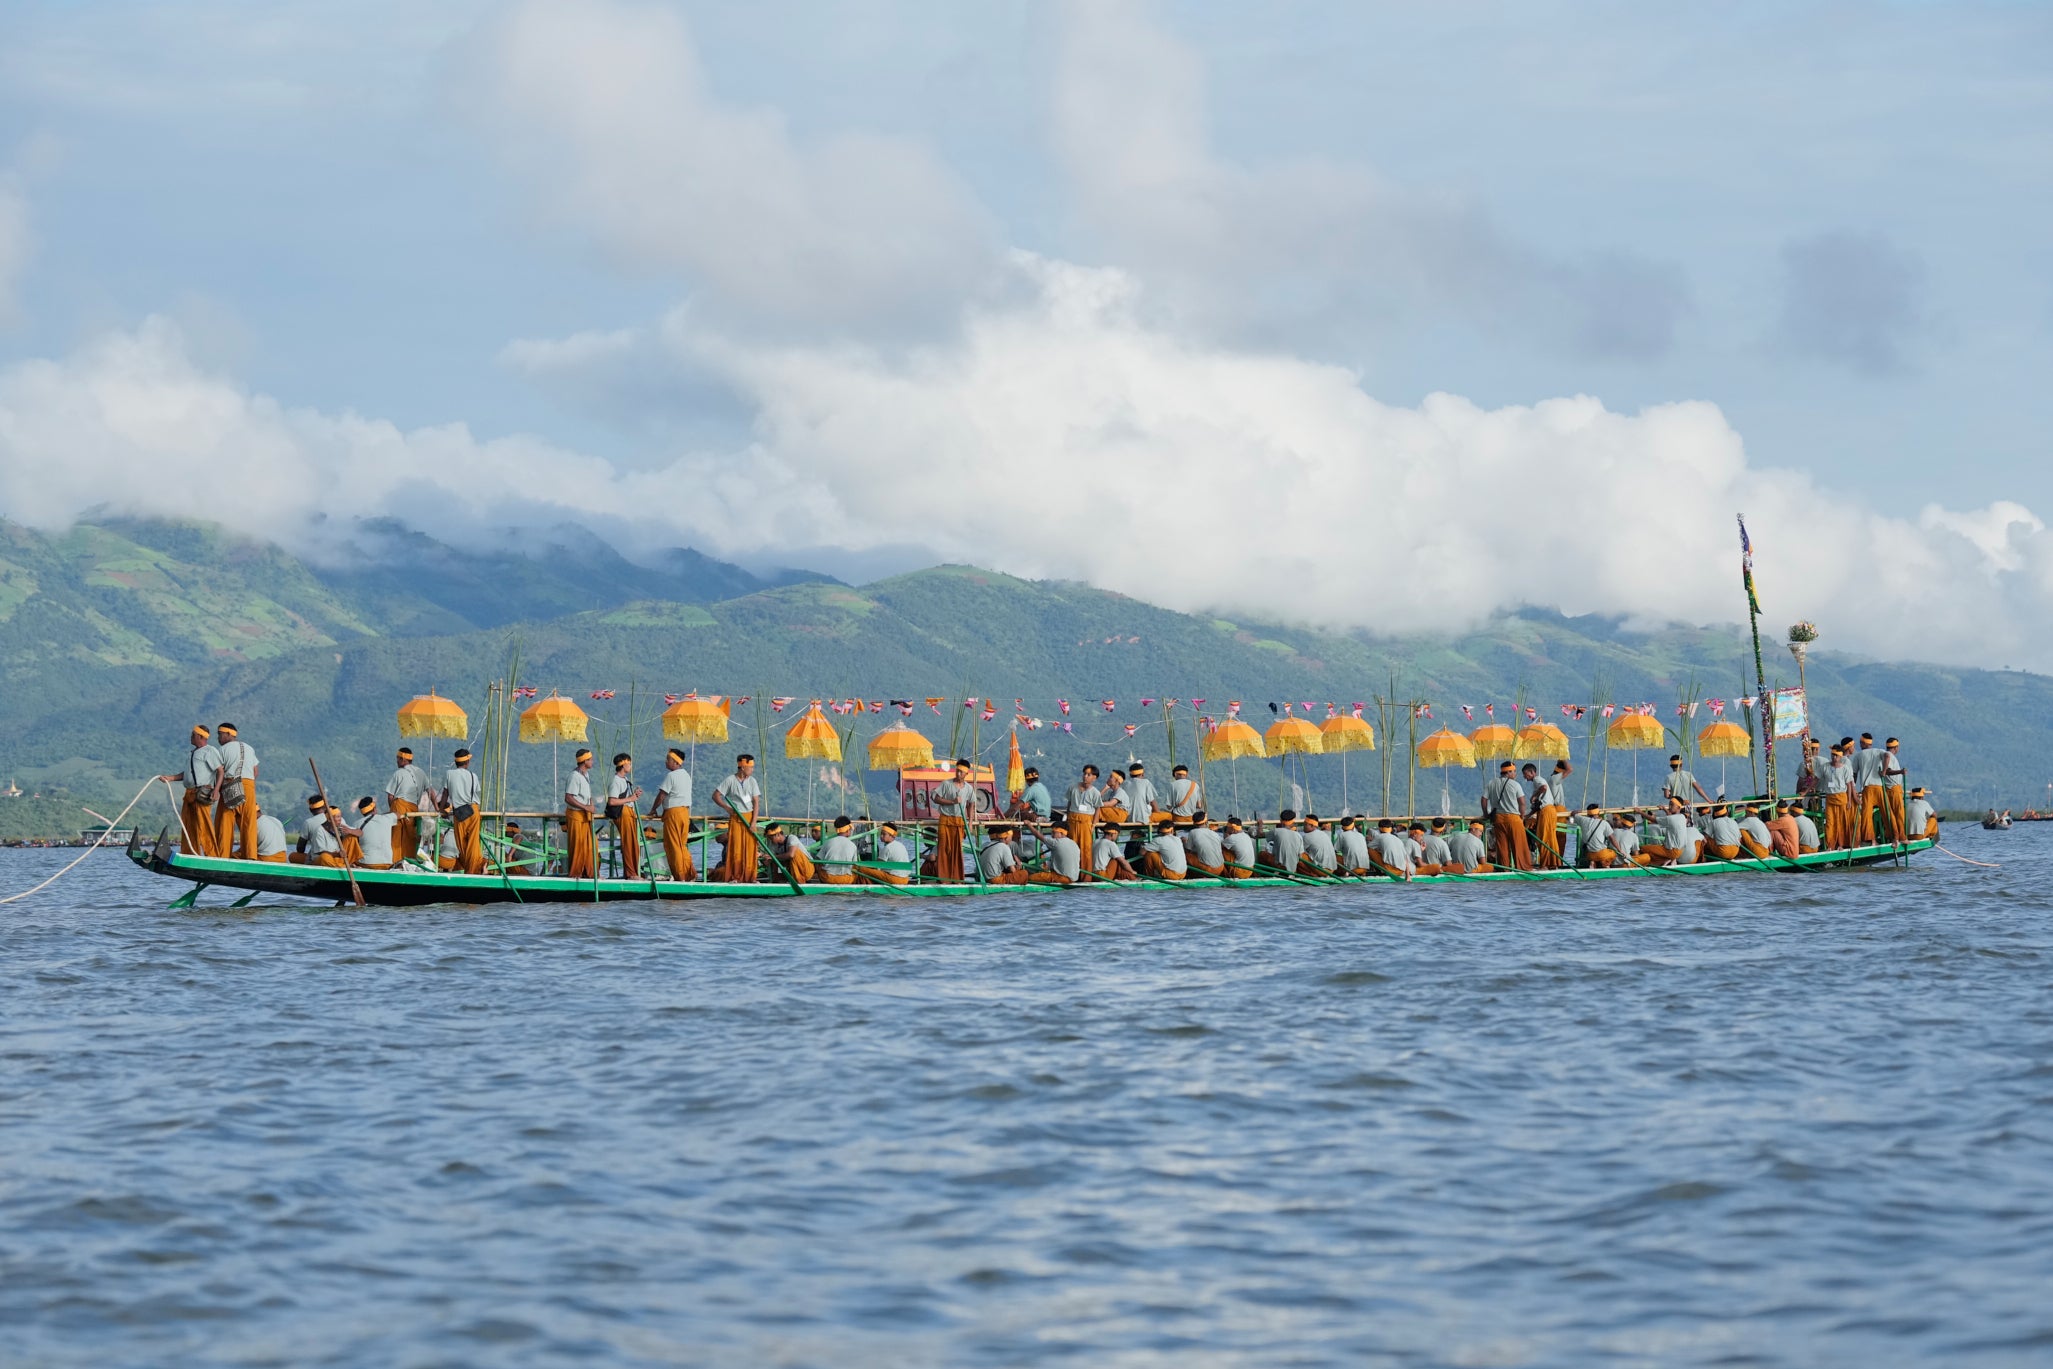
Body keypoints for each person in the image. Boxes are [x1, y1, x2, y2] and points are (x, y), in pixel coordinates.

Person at [162, 725, 221, 857]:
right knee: (188, 824)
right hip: (189, 793)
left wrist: (216, 790)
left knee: (204, 825)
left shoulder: (209, 751)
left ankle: (212, 855)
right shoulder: (192, 753)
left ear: (200, 736)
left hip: (202, 793)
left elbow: (220, 771)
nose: (191, 737)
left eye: (193, 735)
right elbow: (188, 774)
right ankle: (189, 853)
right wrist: (170, 778)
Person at [712, 754, 764, 883]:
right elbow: (716, 795)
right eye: (750, 767)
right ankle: (735, 877)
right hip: (736, 817)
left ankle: (751, 877)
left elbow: (756, 803)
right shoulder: (730, 780)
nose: (752, 770)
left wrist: (753, 822)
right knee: (736, 848)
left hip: (749, 817)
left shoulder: (752, 781)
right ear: (742, 767)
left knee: (750, 849)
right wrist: (726, 807)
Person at [212, 723, 260, 859]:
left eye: (220, 734)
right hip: (249, 786)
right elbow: (255, 772)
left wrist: (217, 789)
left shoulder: (222, 750)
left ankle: (223, 856)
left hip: (230, 785)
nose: (218, 738)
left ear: (228, 734)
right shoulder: (249, 748)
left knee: (224, 823)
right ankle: (250, 856)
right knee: (248, 823)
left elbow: (219, 772)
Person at [649, 748, 695, 881]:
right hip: (684, 813)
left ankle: (680, 876)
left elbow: (662, 795)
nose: (666, 761)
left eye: (668, 759)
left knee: (674, 846)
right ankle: (690, 873)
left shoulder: (671, 776)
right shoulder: (686, 775)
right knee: (682, 845)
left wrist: (653, 809)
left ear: (675, 762)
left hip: (674, 813)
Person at [441, 747, 485, 875]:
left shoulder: (449, 774)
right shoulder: (473, 775)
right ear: (467, 762)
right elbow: (476, 792)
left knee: (461, 844)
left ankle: (473, 869)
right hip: (474, 810)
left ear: (456, 762)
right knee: (473, 842)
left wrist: (441, 809)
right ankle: (477, 866)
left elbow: (445, 793)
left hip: (460, 812)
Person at [1482, 761, 1531, 872]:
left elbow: (1484, 799)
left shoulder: (1491, 783)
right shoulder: (1515, 784)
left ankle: (1505, 869)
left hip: (1498, 819)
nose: (1515, 774)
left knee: (1502, 846)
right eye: (1514, 771)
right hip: (1513, 818)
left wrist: (1485, 813)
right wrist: (1522, 816)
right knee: (1519, 845)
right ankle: (1523, 868)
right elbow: (1522, 803)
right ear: (1508, 772)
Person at [930, 758, 973, 883]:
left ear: (966, 774)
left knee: (957, 850)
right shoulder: (946, 784)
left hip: (959, 821)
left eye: (961, 772)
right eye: (957, 771)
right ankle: (944, 879)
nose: (958, 774)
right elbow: (935, 798)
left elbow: (971, 804)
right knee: (944, 849)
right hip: (945, 819)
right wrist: (952, 802)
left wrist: (970, 823)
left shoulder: (968, 788)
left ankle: (957, 879)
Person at [385, 747, 428, 863]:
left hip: (399, 805)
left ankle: (394, 862)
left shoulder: (398, 773)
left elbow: (390, 796)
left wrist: (392, 812)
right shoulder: (421, 773)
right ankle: (410, 861)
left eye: (398, 759)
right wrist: (437, 808)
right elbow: (431, 791)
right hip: (413, 809)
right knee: (411, 836)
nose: (397, 761)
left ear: (403, 759)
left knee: (396, 836)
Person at [605, 753, 644, 880]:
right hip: (623, 814)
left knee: (633, 843)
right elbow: (612, 801)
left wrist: (634, 796)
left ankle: (633, 872)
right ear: (623, 765)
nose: (631, 766)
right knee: (628, 843)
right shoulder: (616, 781)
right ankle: (631, 873)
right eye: (629, 764)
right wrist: (630, 798)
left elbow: (627, 798)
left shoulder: (625, 780)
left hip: (629, 813)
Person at [563, 748, 597, 880]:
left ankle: (589, 873)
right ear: (584, 761)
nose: (592, 761)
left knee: (590, 845)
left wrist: (590, 805)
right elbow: (568, 798)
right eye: (590, 759)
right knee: (577, 845)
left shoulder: (586, 775)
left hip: (585, 815)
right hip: (576, 815)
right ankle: (575, 874)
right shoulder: (574, 776)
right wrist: (586, 807)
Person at [1530, 761, 1571, 869]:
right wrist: (1563, 758)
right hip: (1557, 809)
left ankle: (1554, 862)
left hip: (1553, 810)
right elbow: (1570, 770)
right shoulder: (1554, 779)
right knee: (1558, 838)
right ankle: (1556, 862)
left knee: (1552, 838)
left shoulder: (1549, 780)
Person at [1064, 766, 1103, 872]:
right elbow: (1069, 804)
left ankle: (1086, 876)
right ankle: (1070, 873)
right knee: (1071, 847)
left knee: (1085, 849)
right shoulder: (1073, 787)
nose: (1085, 776)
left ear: (1094, 777)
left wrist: (1093, 825)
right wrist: (1067, 818)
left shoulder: (1095, 792)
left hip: (1086, 822)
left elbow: (1098, 809)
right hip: (1072, 820)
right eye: (1084, 773)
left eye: (1089, 775)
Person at [1850, 734, 1886, 844]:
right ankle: (1894, 836)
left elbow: (1854, 775)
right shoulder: (1880, 751)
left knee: (1866, 815)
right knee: (1886, 812)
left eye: (1861, 743)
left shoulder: (1859, 755)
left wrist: (1853, 789)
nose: (1860, 745)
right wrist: (1884, 771)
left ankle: (1871, 839)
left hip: (1868, 789)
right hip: (1880, 787)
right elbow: (1888, 756)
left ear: (1864, 743)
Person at [855, 820, 912, 886]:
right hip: (905, 879)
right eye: (881, 833)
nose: (881, 836)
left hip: (895, 879)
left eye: (884, 834)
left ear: (892, 836)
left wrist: (861, 865)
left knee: (861, 869)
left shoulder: (887, 848)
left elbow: (877, 865)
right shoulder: (901, 845)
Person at [293, 795, 344, 867]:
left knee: (293, 856)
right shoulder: (339, 819)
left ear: (310, 810)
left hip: (328, 857)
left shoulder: (308, 823)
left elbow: (300, 848)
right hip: (334, 856)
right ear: (325, 807)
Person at [352, 796, 399, 869]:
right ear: (374, 809)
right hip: (387, 863)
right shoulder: (387, 818)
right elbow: (398, 814)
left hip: (366, 863)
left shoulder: (356, 824)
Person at [812, 817, 860, 884]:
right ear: (848, 830)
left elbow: (818, 860)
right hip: (846, 880)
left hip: (828, 879)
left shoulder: (828, 842)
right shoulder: (853, 846)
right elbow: (855, 865)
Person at [1035, 819, 1082, 885]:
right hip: (1074, 879)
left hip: (1061, 878)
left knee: (1029, 878)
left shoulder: (1056, 843)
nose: (1052, 835)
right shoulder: (1074, 843)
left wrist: (1029, 825)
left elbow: (1039, 836)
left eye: (1054, 833)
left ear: (1062, 833)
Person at [1879, 738, 1908, 843]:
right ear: (1896, 747)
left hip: (1890, 788)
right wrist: (1900, 771)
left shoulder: (1887, 755)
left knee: (1892, 815)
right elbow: (1887, 771)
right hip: (1893, 789)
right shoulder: (1888, 755)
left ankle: (1894, 837)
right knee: (1899, 814)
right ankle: (1901, 837)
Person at [1263, 811, 1306, 875]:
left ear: (1281, 821)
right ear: (1293, 822)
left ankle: (1272, 872)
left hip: (1279, 868)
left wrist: (1260, 824)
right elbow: (1300, 857)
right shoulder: (1298, 836)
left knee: (1262, 854)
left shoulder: (1276, 831)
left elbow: (1259, 834)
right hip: (1293, 870)